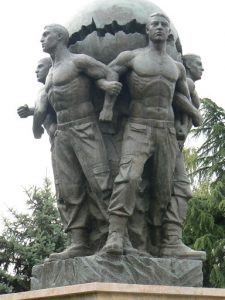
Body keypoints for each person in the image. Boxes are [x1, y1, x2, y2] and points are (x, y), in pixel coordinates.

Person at [100, 13, 202, 255]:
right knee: (129, 178)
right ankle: (115, 235)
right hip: (138, 126)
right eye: (154, 25)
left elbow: (178, 97)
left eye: (163, 25)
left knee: (169, 187)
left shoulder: (175, 66)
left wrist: (193, 114)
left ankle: (167, 241)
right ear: (147, 31)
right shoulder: (132, 57)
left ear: (169, 32)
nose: (159, 28)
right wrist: (107, 104)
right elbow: (109, 73)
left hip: (165, 128)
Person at [38, 23, 122, 260]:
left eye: (46, 35)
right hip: (62, 133)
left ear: (60, 37)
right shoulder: (51, 71)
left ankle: (115, 235)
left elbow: (109, 74)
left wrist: (106, 101)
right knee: (69, 187)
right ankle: (79, 242)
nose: (41, 39)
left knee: (100, 181)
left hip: (84, 126)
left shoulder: (78, 61)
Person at [161, 54, 206, 260]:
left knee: (176, 188)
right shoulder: (185, 81)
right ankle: (171, 240)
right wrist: (193, 114)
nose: (202, 68)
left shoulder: (188, 84)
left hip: (173, 143)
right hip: (170, 142)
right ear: (187, 65)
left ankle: (170, 239)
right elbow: (176, 97)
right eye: (198, 64)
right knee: (181, 188)